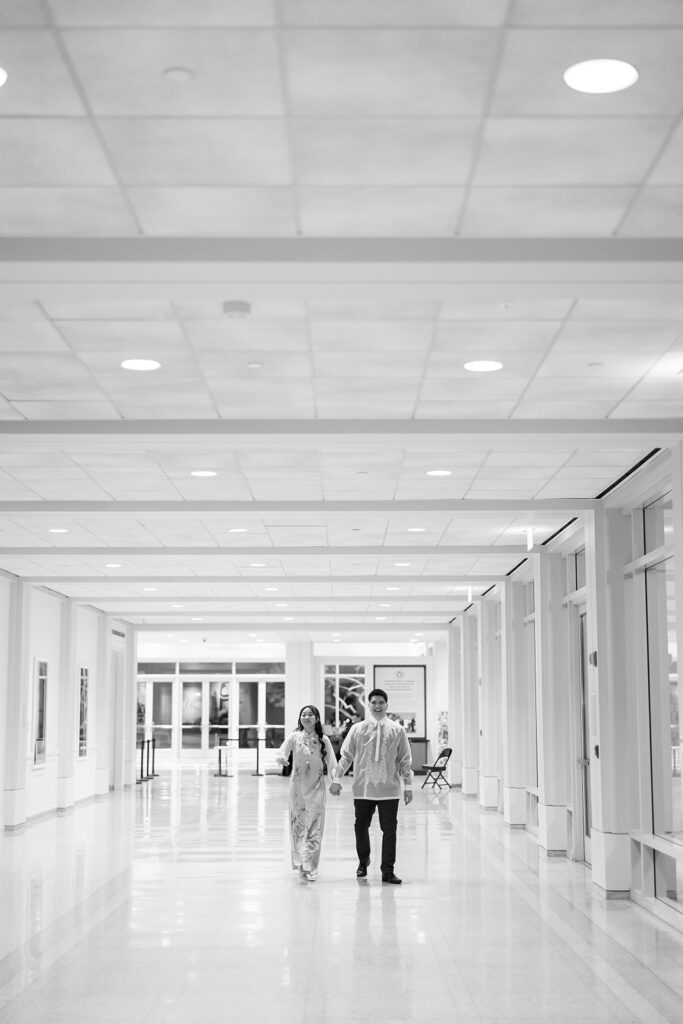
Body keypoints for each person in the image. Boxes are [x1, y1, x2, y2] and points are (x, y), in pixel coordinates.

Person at [329, 688, 413, 884]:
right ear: (369, 704)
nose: (377, 706)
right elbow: (346, 756)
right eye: (373, 702)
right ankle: (363, 861)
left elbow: (404, 760)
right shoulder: (357, 729)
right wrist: (336, 779)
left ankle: (388, 870)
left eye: (381, 702)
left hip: (389, 789)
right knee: (361, 827)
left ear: (386, 705)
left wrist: (408, 787)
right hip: (363, 788)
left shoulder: (397, 730)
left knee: (389, 830)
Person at [276, 705, 339, 881]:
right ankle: (301, 865)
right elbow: (282, 750)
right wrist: (281, 758)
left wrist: (336, 781)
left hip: (317, 787)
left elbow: (333, 764)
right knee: (298, 824)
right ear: (300, 718)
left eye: (310, 714)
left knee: (315, 825)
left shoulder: (323, 739)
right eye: (303, 714)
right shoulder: (294, 737)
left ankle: (311, 865)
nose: (307, 717)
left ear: (317, 718)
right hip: (297, 788)